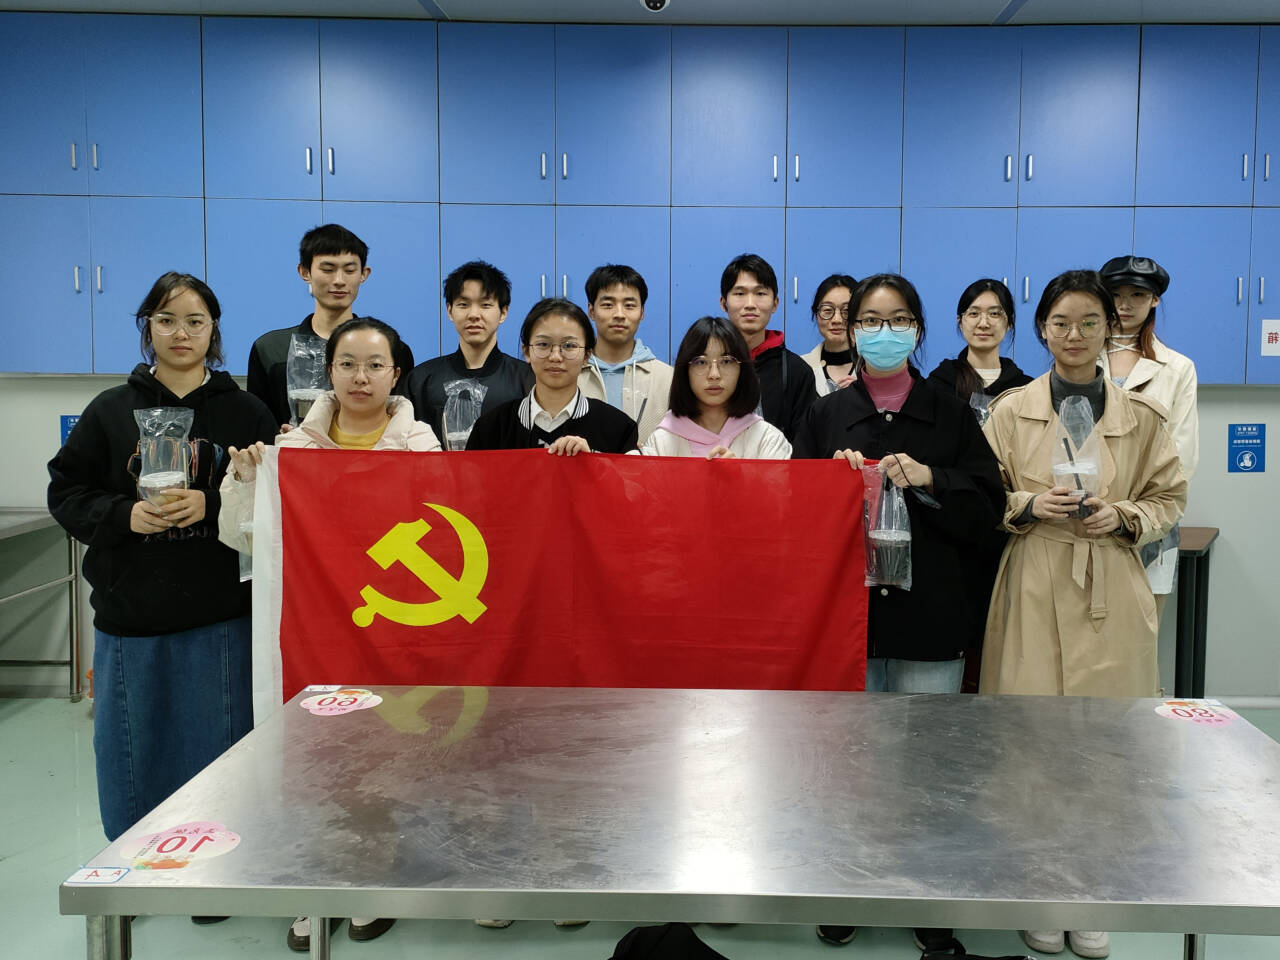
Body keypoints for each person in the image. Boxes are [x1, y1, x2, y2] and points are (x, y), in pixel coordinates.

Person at [979, 270, 1187, 960]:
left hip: (1110, 584)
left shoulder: (1142, 416)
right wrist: (1027, 505)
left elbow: (1168, 498)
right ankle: (1041, 888)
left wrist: (1124, 516)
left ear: (1111, 328)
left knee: (1108, 741)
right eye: (1061, 322)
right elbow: (981, 494)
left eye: (1090, 322)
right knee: (1029, 738)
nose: (1075, 334)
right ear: (1042, 329)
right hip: (1035, 575)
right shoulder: (1009, 412)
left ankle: (1094, 892)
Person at [792, 273, 1003, 951]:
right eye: (871, 321)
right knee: (848, 762)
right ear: (850, 330)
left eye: (899, 320)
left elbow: (989, 509)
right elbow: (790, 517)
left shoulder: (951, 413)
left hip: (929, 616)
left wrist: (932, 477)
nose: (885, 333)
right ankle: (847, 885)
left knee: (927, 766)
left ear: (917, 329)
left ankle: (927, 894)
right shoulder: (826, 416)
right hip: (848, 621)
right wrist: (831, 486)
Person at [47, 273, 276, 886]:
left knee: (219, 752)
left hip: (219, 614)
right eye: (167, 320)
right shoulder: (110, 410)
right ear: (147, 326)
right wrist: (123, 515)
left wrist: (213, 501)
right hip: (132, 616)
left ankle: (217, 870)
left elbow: (278, 498)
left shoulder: (246, 412)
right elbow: (66, 492)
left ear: (213, 330)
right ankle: (141, 867)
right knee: (134, 753)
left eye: (195, 321)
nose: (181, 333)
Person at [219, 316, 437, 951]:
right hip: (316, 626)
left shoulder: (424, 447)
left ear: (396, 374)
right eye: (347, 364)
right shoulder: (293, 449)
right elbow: (243, 538)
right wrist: (249, 480)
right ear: (328, 372)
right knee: (311, 753)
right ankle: (311, 880)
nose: (360, 377)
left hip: (393, 627)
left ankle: (374, 874)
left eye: (375, 365)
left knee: (384, 754)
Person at [1098, 255, 1197, 619]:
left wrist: (1142, 512)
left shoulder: (1177, 368)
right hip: (1090, 514)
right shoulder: (1079, 360)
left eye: (1137, 295)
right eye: (1116, 295)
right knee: (1087, 634)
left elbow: (1182, 452)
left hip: (1151, 517)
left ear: (1155, 299)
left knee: (1143, 628)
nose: (1124, 304)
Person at [246, 224, 414, 430]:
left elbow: (400, 420)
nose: (339, 281)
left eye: (349, 270)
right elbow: (258, 426)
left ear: (364, 274)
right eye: (328, 269)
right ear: (304, 272)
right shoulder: (271, 348)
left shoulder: (391, 348)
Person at [466, 297, 638, 454]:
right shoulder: (490, 428)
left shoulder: (619, 428)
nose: (555, 356)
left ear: (587, 355)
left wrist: (593, 462)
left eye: (569, 346)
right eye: (543, 344)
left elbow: (629, 479)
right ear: (527, 352)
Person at [405, 260, 534, 450]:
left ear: (503, 312)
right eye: (463, 304)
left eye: (485, 305)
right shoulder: (421, 380)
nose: (474, 314)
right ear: (450, 311)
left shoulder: (527, 379)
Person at [638, 317, 790, 459]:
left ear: (742, 370)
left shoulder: (767, 440)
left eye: (726, 361)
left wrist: (741, 474)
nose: (714, 375)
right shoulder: (662, 441)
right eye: (701, 362)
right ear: (685, 371)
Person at [719, 254, 815, 441]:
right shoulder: (706, 365)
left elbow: (804, 444)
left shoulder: (797, 371)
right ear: (723, 303)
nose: (750, 304)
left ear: (775, 304)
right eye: (740, 294)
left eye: (760, 293)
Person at [578, 263, 674, 444]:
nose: (619, 314)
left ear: (642, 312)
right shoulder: (570, 373)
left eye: (629, 305)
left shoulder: (668, 379)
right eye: (608, 305)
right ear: (591, 311)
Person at [926, 278, 1033, 414]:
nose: (983, 324)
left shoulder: (1025, 389)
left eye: (994, 314)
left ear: (1009, 323)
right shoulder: (940, 382)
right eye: (974, 313)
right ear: (960, 322)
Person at [799, 273, 858, 396]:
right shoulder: (799, 367)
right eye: (827, 310)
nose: (837, 320)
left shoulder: (874, 368)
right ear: (816, 315)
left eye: (847, 311)